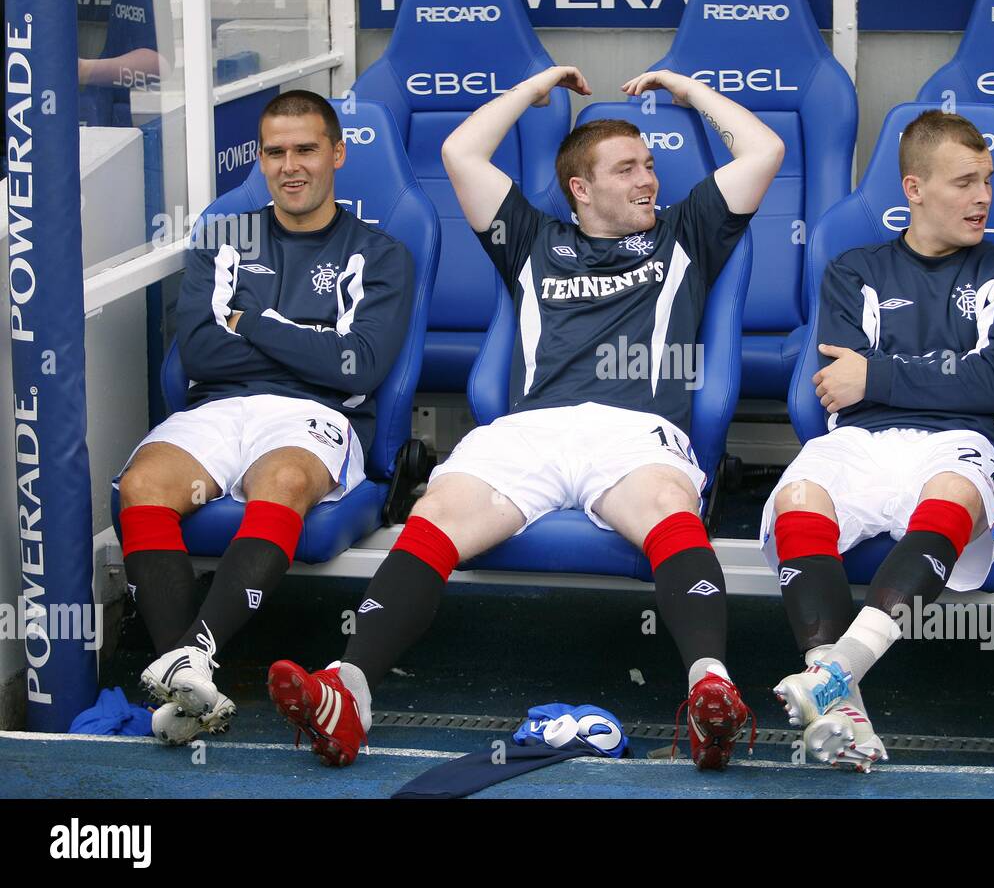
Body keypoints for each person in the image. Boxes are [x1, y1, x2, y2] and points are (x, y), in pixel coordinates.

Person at [265, 64, 784, 770]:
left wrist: (687, 91)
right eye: (626, 169)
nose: (647, 181)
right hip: (531, 429)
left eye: (651, 166)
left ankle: (709, 692)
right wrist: (529, 90)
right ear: (580, 188)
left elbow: (762, 152)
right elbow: (460, 154)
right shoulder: (532, 239)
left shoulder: (686, 233)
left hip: (634, 433)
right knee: (435, 513)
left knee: (669, 507)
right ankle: (349, 692)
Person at [114, 90, 415, 745]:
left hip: (314, 415)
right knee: (142, 487)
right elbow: (200, 347)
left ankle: (193, 650)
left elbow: (357, 367)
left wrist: (249, 322)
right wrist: (307, 339)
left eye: (306, 148)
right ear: (260, 159)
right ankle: (186, 671)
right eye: (275, 152)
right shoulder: (225, 238)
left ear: (336, 153)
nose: (290, 165)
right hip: (217, 406)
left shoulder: (379, 251)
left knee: (278, 482)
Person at [761, 110, 994, 772]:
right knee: (799, 493)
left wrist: (880, 375)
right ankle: (841, 707)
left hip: (963, 445)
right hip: (859, 441)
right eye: (964, 182)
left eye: (989, 181)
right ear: (913, 188)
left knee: (949, 491)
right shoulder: (854, 270)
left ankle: (837, 675)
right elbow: (839, 388)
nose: (983, 198)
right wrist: (957, 377)